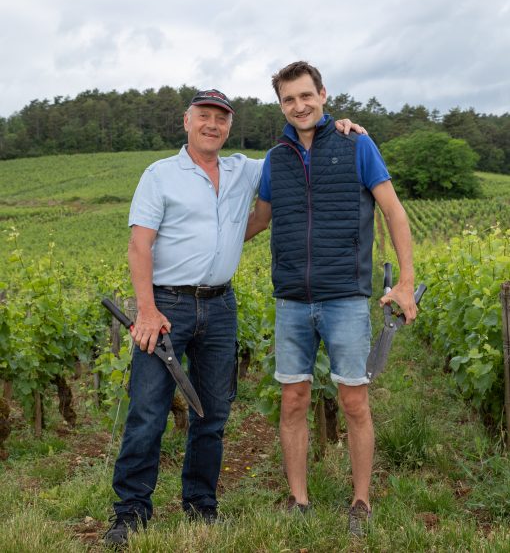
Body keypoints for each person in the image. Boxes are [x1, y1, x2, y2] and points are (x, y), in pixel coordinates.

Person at [104, 87, 365, 546]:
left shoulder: (246, 169)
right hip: (167, 306)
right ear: (186, 121)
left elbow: (301, 150)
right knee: (148, 411)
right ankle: (130, 512)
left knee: (213, 412)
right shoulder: (160, 175)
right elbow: (138, 244)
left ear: (229, 126)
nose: (212, 124)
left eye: (221, 118)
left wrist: (340, 128)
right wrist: (146, 309)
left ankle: (201, 503)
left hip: (221, 306)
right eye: (203, 116)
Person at [244, 61, 417, 537]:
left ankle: (360, 502)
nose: (298, 106)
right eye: (288, 99)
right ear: (280, 105)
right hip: (292, 301)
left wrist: (404, 282)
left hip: (345, 297)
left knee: (354, 402)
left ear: (323, 94)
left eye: (306, 95)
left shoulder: (356, 143)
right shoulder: (275, 159)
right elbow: (258, 222)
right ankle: (299, 500)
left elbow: (394, 213)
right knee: (293, 400)